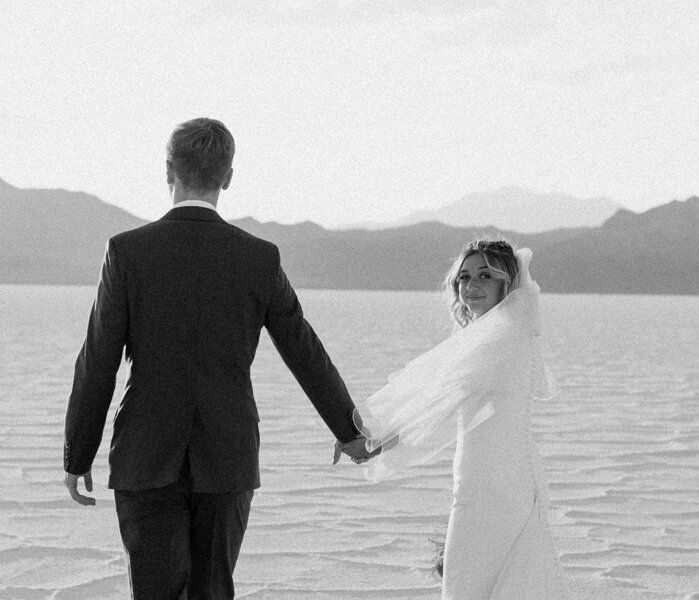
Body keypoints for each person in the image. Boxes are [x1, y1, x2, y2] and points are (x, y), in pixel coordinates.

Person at [63, 117, 375, 599]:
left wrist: (78, 452)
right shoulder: (258, 257)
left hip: (146, 454)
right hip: (227, 455)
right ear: (227, 176)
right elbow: (304, 350)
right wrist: (349, 430)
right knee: (213, 592)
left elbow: (98, 360)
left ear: (168, 170)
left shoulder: (127, 252)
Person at [353, 239, 569, 599]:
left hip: (498, 483)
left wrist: (375, 445)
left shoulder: (504, 337)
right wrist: (376, 442)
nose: (471, 285)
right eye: (464, 277)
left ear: (506, 282)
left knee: (471, 582)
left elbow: (437, 403)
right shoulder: (497, 333)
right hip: (487, 475)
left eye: (485, 275)